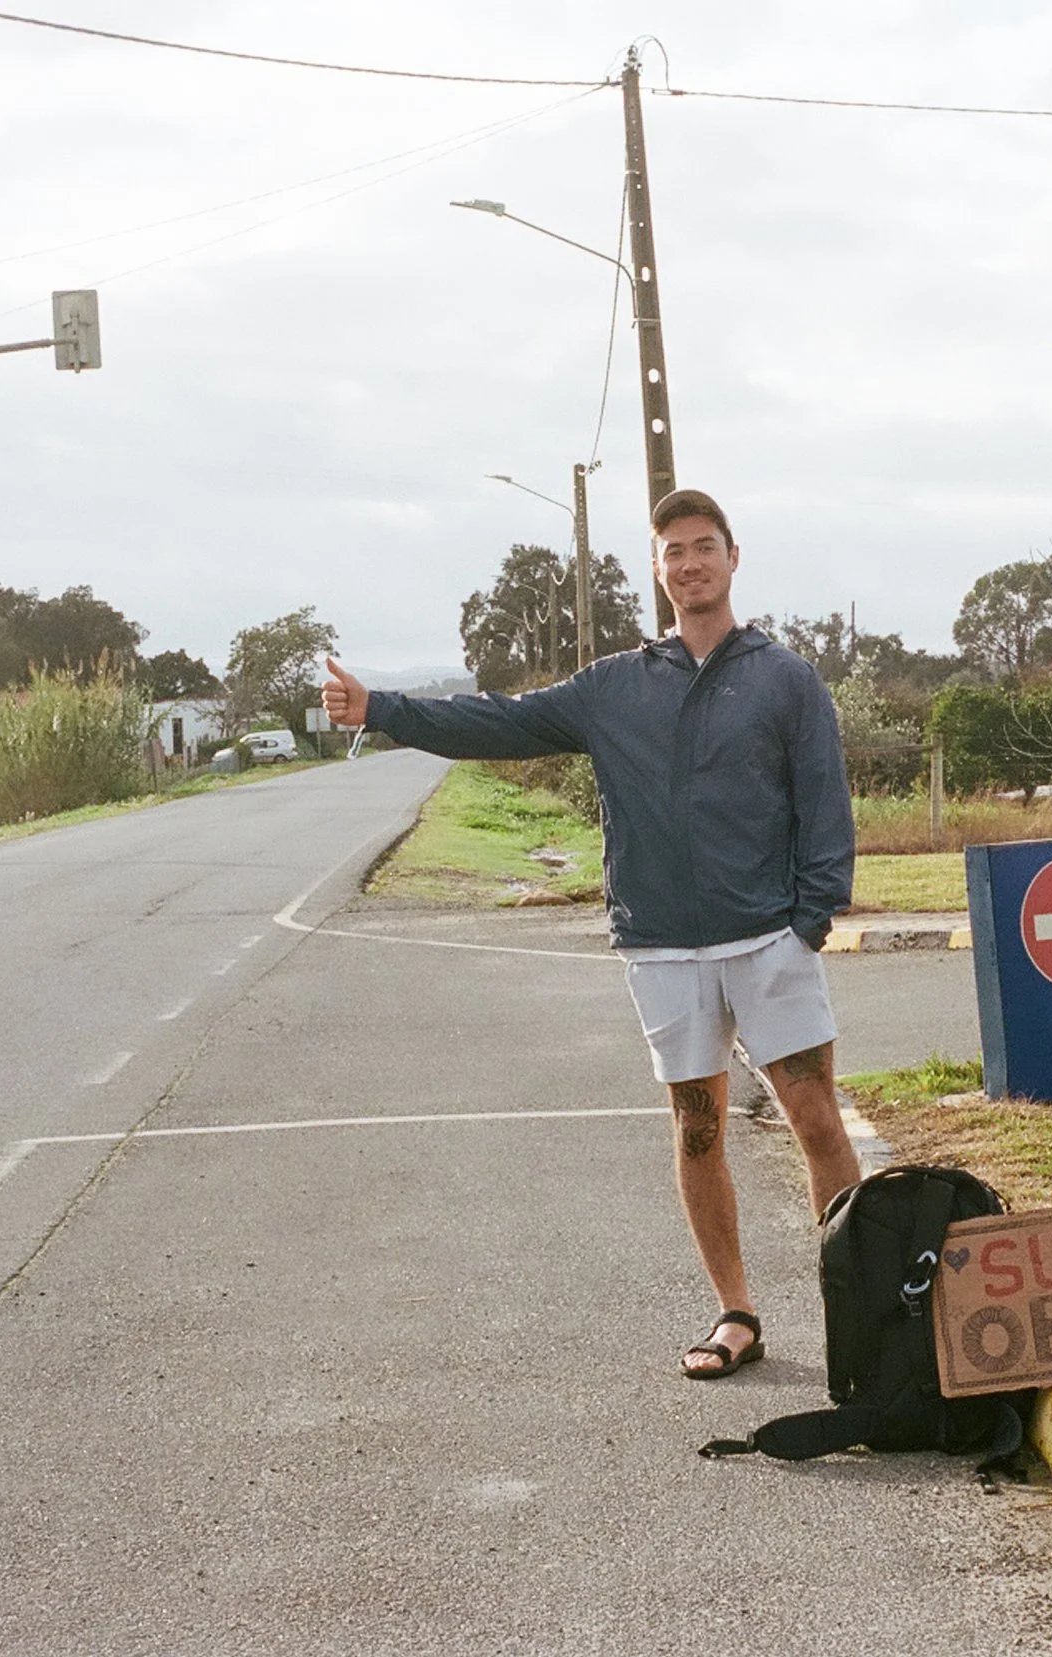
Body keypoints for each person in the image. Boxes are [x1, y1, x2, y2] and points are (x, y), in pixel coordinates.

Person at [321, 489, 861, 1380]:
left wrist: (811, 918)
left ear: (733, 558)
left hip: (769, 939)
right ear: (658, 570)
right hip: (661, 946)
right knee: (698, 1130)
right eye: (673, 551)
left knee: (814, 1118)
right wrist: (380, 706)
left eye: (704, 547)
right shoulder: (613, 687)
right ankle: (737, 1314)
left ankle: (863, 1309)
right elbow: (496, 721)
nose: (690, 563)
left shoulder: (784, 678)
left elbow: (824, 803)